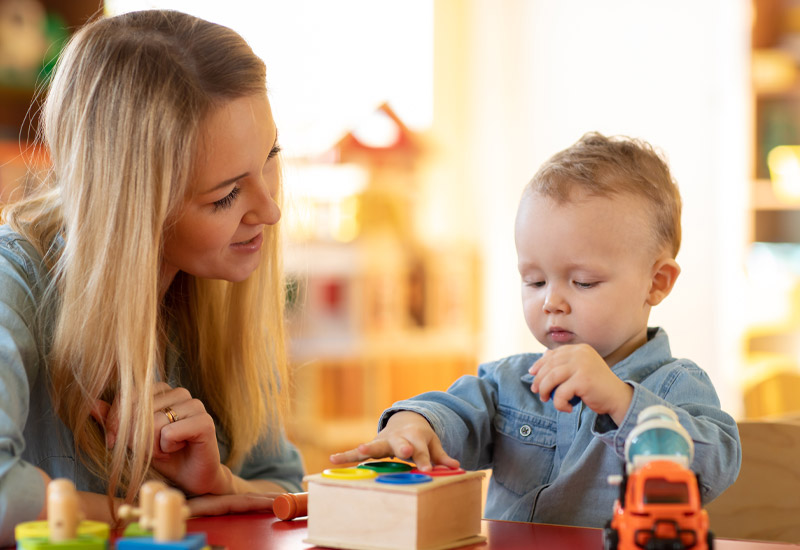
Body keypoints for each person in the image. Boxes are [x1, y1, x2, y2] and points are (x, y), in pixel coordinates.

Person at [0, 9, 304, 544]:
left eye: (271, 155)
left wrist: (215, 483)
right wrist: (152, 507)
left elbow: (281, 484)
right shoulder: (12, 287)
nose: (270, 210)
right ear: (133, 208)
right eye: (226, 195)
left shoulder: (215, 290)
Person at [331, 132, 742, 528]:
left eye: (583, 282)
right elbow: (454, 412)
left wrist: (621, 400)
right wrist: (413, 426)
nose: (551, 302)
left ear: (656, 283)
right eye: (535, 281)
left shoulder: (678, 386)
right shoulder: (511, 382)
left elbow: (715, 464)